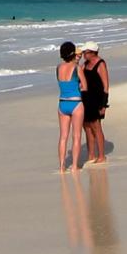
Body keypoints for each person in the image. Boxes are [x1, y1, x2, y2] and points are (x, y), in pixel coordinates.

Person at [55, 42, 85, 172]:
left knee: (63, 137)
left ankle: (62, 166)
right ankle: (74, 166)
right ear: (73, 53)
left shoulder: (58, 67)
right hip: (76, 103)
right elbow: (85, 85)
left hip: (62, 103)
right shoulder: (76, 67)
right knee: (76, 136)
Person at [79, 43, 111, 165]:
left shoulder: (100, 64)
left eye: (85, 52)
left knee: (96, 127)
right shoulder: (85, 64)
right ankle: (91, 155)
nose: (83, 55)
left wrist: (103, 105)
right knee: (86, 127)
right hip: (85, 99)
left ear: (92, 52)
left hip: (96, 100)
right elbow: (78, 76)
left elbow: (106, 86)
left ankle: (102, 156)